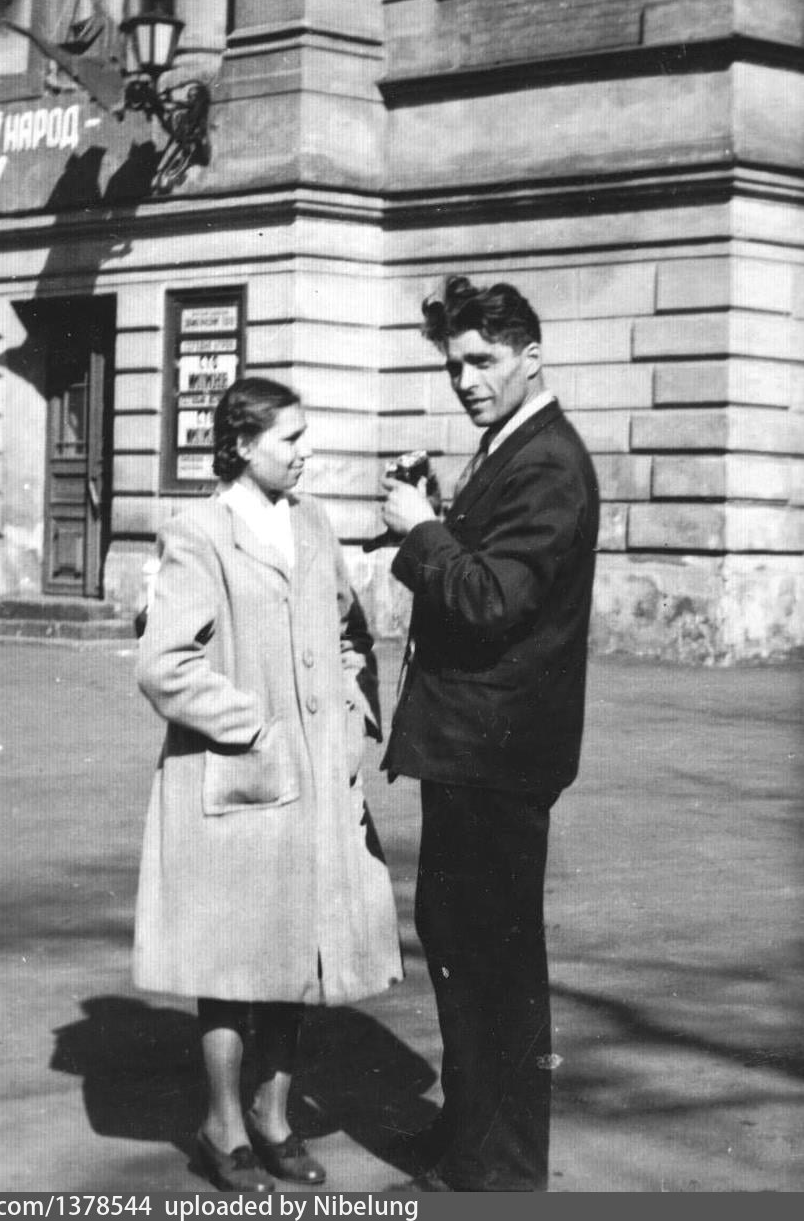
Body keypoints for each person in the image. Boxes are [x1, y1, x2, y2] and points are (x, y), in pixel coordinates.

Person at [134, 377, 402, 1193]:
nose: (305, 451)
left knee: (298, 952)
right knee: (229, 964)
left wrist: (350, 705)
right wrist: (256, 725)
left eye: (304, 434)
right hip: (241, 777)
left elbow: (352, 628)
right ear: (244, 445)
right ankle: (222, 1126)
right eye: (291, 438)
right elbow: (163, 664)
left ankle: (274, 1115)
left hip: (316, 779)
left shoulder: (312, 521)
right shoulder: (199, 533)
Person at [380, 277, 600, 1192]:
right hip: (474, 745)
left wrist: (423, 530)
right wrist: (441, 516)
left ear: (530, 357)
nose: (466, 380)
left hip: (496, 752)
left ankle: (500, 1172)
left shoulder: (546, 461)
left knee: (494, 959)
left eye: (483, 360)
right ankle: (471, 1136)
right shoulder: (513, 445)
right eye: (454, 366)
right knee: (461, 940)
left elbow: (490, 598)